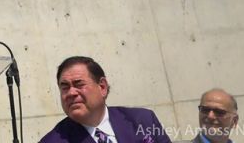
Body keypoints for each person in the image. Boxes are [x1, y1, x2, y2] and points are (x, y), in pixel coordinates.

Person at [39, 56, 173, 143]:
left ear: (102, 87)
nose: (71, 92)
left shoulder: (143, 120)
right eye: (65, 87)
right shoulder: (53, 141)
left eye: (79, 84)